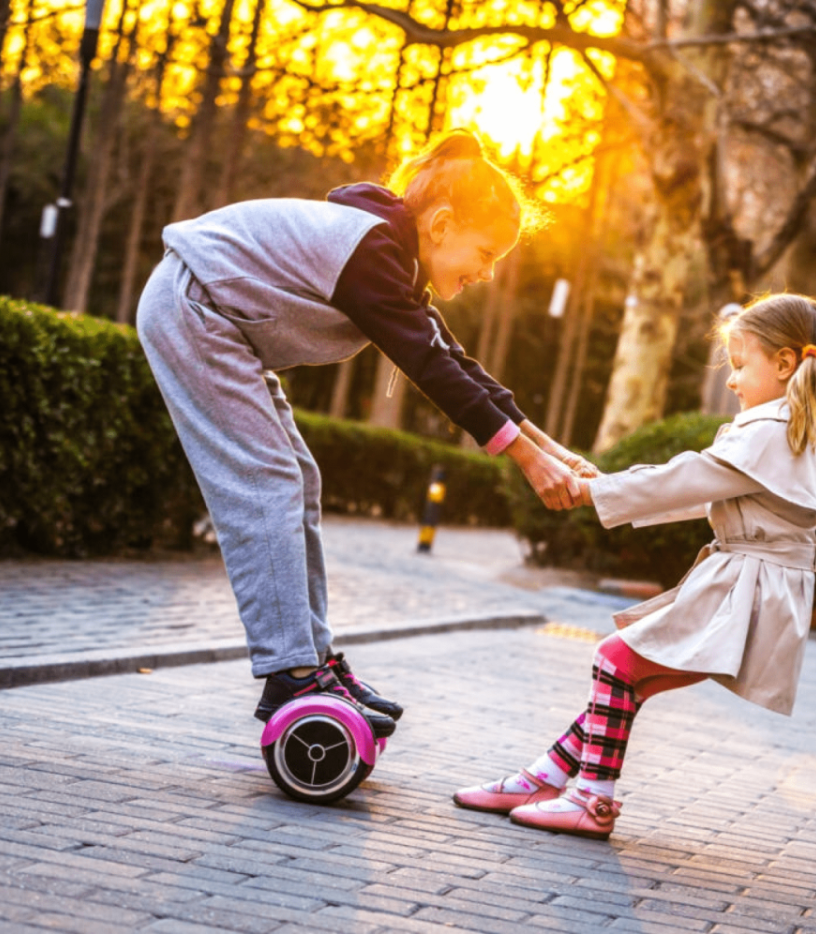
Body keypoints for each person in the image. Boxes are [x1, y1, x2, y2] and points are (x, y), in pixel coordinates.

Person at [136, 129, 594, 738]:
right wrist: (528, 464)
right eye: (485, 254)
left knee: (298, 479)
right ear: (444, 225)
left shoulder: (390, 260)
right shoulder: (372, 253)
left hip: (222, 323)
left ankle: (312, 660)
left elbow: (456, 363)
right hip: (195, 308)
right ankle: (292, 674)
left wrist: (554, 451)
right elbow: (432, 370)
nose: (486, 274)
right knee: (268, 482)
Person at [454, 293, 816, 839]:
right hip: (751, 583)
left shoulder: (769, 431)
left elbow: (683, 480)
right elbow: (699, 493)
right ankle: (543, 778)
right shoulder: (782, 431)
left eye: (741, 365)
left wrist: (596, 493)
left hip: (749, 585)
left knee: (616, 662)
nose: (733, 381)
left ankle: (592, 799)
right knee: (628, 678)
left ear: (784, 364)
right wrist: (604, 488)